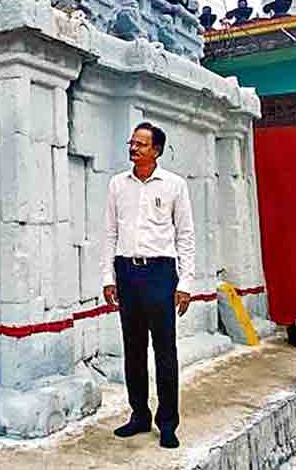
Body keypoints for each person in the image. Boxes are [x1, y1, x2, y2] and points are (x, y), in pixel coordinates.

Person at [101, 122, 196, 449]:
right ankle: (139, 414)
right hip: (127, 273)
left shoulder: (174, 185)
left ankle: (167, 423)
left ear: (156, 150)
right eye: (132, 143)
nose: (134, 148)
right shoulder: (117, 185)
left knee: (165, 352)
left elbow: (185, 236)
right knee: (133, 350)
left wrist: (185, 282)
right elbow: (110, 233)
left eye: (141, 144)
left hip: (161, 274)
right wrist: (107, 277)